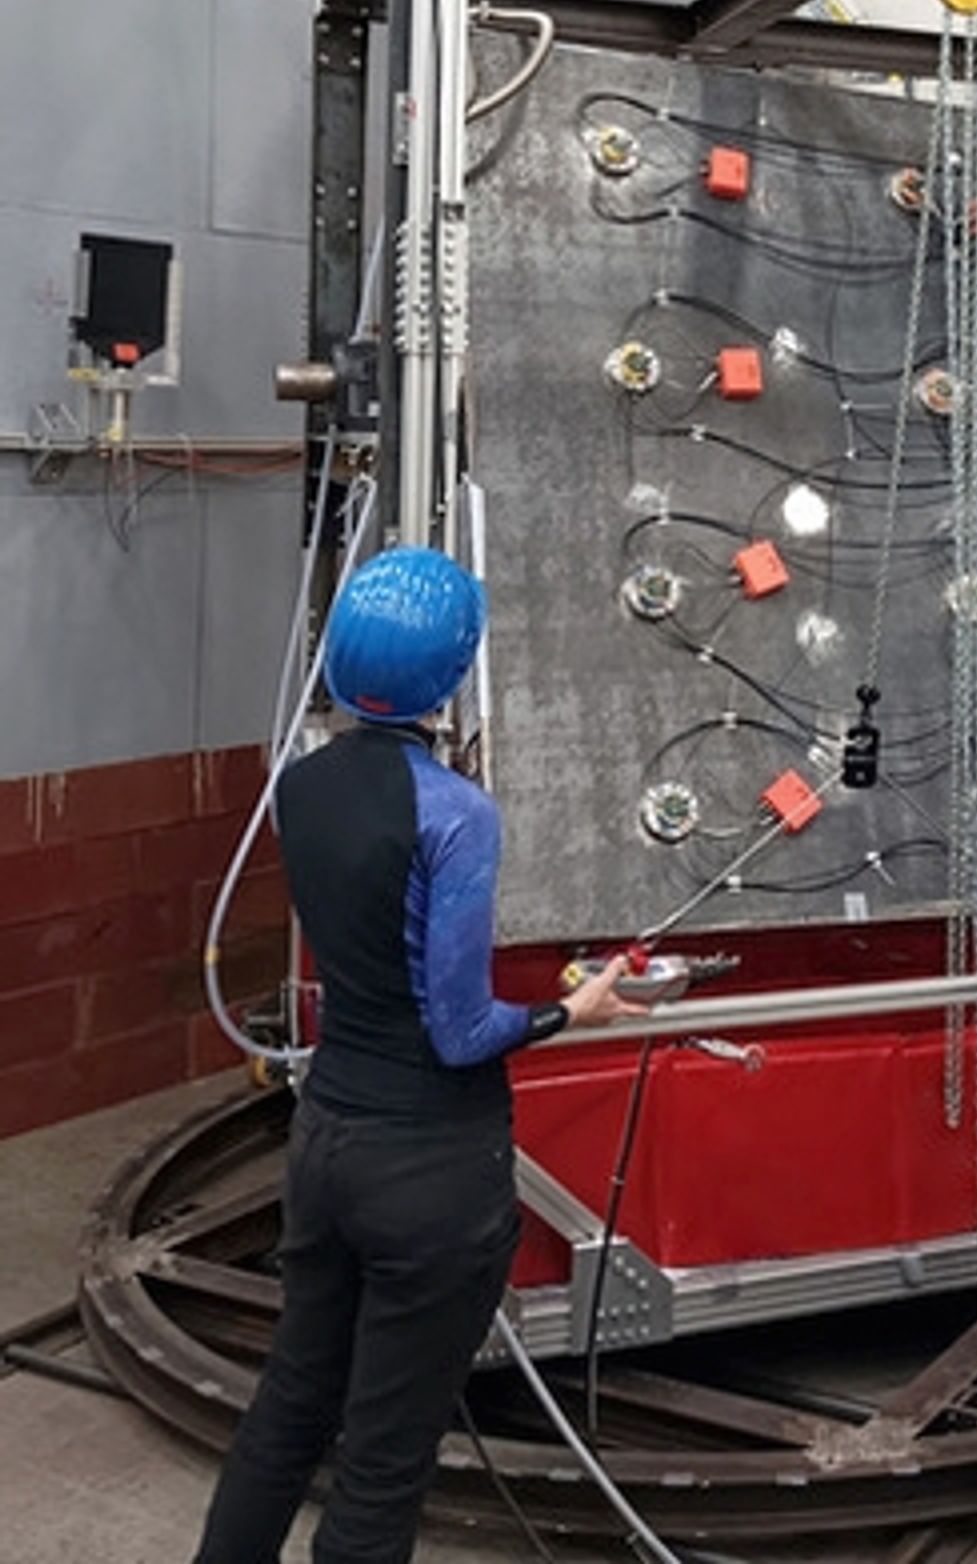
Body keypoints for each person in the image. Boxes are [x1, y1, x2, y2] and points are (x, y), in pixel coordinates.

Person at [193, 547, 644, 1564]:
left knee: (290, 1406)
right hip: (431, 1173)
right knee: (385, 1461)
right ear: (453, 674)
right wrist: (575, 1009)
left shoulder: (296, 784)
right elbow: (458, 1029)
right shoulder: (456, 816)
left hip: (326, 1146)